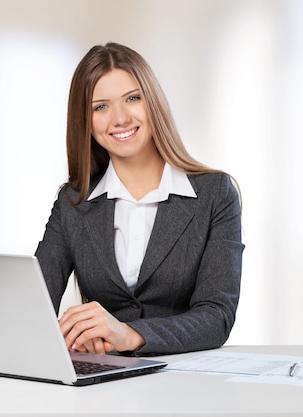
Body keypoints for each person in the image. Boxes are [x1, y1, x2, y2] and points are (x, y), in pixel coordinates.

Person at [34, 42, 244, 356]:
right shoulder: (72, 204)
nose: (119, 118)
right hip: (102, 381)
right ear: (86, 123)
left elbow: (217, 316)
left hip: (185, 380)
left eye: (132, 99)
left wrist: (129, 334)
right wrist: (72, 332)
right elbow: (34, 304)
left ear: (153, 103)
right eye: (100, 107)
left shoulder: (215, 194)